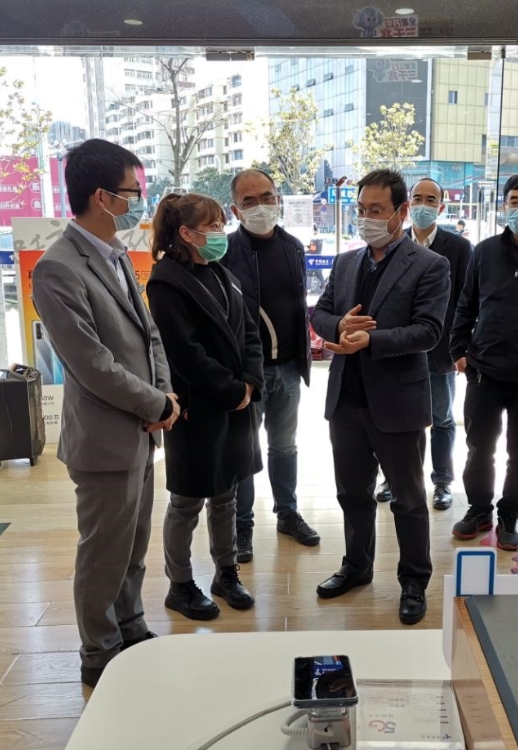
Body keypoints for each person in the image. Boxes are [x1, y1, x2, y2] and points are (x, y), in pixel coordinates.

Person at [31, 139, 179, 687]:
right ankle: (99, 648)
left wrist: (164, 396)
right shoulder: (57, 268)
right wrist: (155, 402)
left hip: (141, 429)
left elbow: (149, 335)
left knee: (133, 544)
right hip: (103, 437)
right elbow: (90, 363)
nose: (139, 201)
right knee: (103, 552)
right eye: (132, 192)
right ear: (101, 197)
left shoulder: (115, 254)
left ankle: (130, 626)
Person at [311, 169, 449, 625]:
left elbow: (428, 331)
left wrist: (371, 340)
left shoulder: (429, 265)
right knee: (352, 493)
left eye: (377, 210)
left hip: (397, 402)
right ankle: (356, 566)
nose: (367, 218)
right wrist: (339, 327)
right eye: (361, 210)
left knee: (408, 499)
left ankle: (414, 581)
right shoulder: (346, 262)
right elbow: (320, 313)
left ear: (401, 211)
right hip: (346, 401)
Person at [146, 192, 262, 621]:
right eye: (213, 226)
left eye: (220, 225)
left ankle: (225, 573)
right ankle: (179, 585)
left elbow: (249, 331)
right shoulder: (165, 282)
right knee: (186, 502)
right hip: (197, 409)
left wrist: (250, 382)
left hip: (235, 404)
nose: (220, 233)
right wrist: (232, 391)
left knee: (227, 494)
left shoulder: (220, 272)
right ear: (186, 233)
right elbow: (184, 353)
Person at [449, 172, 518, 550]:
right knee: (479, 446)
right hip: (485, 369)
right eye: (514, 201)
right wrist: (459, 350)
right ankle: (479, 509)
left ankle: (510, 515)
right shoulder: (484, 251)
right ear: (504, 206)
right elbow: (467, 304)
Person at [222, 169, 319, 563]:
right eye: (249, 201)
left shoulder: (293, 247)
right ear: (235, 210)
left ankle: (288, 514)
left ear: (278, 199)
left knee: (285, 446)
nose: (260, 206)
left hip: (289, 368)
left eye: (267, 197)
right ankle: (241, 525)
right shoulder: (225, 252)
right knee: (245, 451)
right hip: (248, 375)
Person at [376, 177, 471, 510]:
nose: (423, 205)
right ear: (407, 204)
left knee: (442, 418)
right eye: (418, 198)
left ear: (441, 207)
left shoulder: (459, 248)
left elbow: (466, 301)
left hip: (440, 348)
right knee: (395, 416)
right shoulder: (392, 243)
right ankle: (392, 478)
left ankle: (442, 482)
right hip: (399, 347)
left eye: (431, 200)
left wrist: (461, 347)